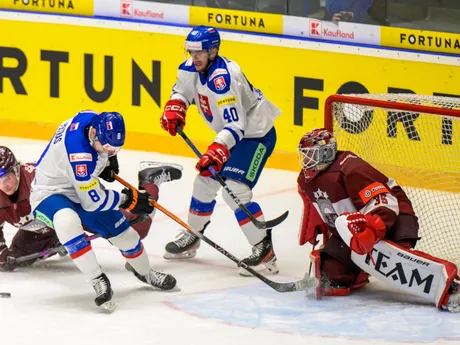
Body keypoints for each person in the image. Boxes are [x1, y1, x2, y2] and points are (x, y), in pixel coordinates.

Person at [29, 110, 182, 311]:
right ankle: (96, 278)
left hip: (78, 187)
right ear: (93, 134)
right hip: (49, 193)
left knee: (126, 236)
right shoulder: (80, 156)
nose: (108, 152)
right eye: (106, 148)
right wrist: (128, 199)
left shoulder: (91, 118)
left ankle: (145, 272)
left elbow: (95, 163)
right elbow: (93, 202)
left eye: (114, 150)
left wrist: (107, 161)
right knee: (67, 221)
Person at [160, 25, 282, 276]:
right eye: (191, 51)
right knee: (204, 182)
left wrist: (217, 150)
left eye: (200, 53)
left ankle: (263, 248)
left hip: (255, 136)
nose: (194, 58)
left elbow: (236, 125)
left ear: (213, 51)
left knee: (235, 190)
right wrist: (176, 106)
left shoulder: (223, 79)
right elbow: (181, 91)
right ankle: (193, 236)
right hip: (233, 136)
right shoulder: (189, 68)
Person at [296, 128, 460, 312]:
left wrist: (372, 232)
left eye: (311, 155)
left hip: (393, 216)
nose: (306, 160)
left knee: (397, 259)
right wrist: (313, 222)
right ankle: (359, 270)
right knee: (331, 275)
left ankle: (451, 286)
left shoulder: (351, 169)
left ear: (325, 154)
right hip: (354, 227)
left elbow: (386, 202)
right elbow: (317, 202)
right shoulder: (306, 179)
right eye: (305, 155)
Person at [0, 147, 171, 272]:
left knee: (137, 230)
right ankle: (57, 238)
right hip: (43, 227)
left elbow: (77, 185)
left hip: (79, 208)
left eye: (8, 178)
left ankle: (150, 180)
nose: (4, 185)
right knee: (14, 259)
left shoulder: (36, 180)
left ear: (16, 169)